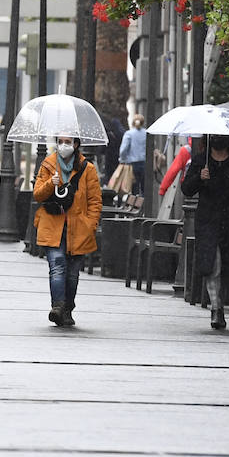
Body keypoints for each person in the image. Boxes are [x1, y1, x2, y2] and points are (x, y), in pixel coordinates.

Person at [181, 134, 229, 330]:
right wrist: (200, 177)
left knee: (228, 267)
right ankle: (216, 308)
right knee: (212, 264)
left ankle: (220, 303)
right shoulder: (201, 160)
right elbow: (186, 189)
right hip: (208, 220)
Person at [33, 135, 102, 327]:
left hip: (78, 228)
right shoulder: (47, 164)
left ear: (76, 144)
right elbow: (38, 195)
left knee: (72, 273)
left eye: (68, 142)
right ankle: (57, 307)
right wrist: (51, 184)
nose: (63, 146)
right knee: (57, 265)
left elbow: (95, 201)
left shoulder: (87, 169)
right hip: (52, 224)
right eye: (60, 141)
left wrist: (91, 224)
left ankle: (68, 309)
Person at [118, 115, 147, 192]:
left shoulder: (129, 134)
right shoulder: (146, 133)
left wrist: (122, 159)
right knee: (144, 188)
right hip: (145, 163)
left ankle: (134, 202)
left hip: (132, 164)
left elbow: (123, 150)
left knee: (134, 187)